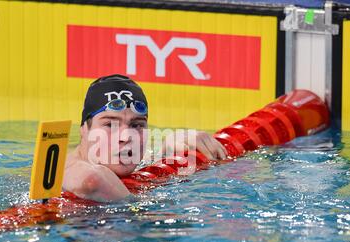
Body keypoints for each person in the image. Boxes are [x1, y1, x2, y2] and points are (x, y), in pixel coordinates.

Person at [62, 74, 227, 202]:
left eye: (136, 125)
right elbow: (90, 180)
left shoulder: (117, 159)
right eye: (110, 125)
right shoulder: (64, 168)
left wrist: (166, 149)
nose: (126, 137)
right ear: (84, 129)